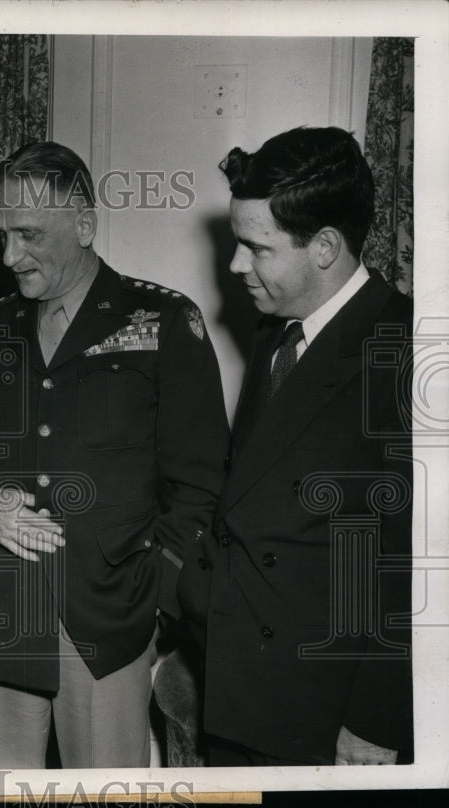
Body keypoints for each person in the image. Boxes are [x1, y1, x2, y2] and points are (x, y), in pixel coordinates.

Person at [0, 141, 230, 768]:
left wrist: (159, 597)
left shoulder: (162, 320)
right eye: (2, 235)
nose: (9, 256)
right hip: (0, 609)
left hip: (109, 617)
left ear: (83, 225)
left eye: (29, 234)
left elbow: (201, 481)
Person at [177, 126, 414, 765]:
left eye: (257, 247)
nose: (235, 265)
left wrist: (375, 722)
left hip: (325, 710)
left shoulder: (407, 350)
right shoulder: (277, 332)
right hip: (239, 680)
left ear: (326, 247)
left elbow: (415, 566)